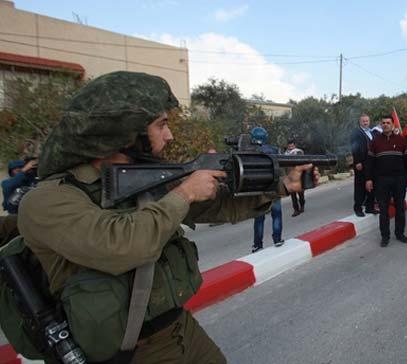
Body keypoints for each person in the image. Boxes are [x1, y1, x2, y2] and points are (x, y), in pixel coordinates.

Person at [17, 71, 313, 364]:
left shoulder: (145, 180)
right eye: (161, 125)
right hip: (130, 353)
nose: (169, 135)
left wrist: (283, 185)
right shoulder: (47, 200)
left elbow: (220, 207)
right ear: (124, 134)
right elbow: (121, 245)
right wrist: (185, 193)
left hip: (180, 329)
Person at [365, 115, 407, 247]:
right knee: (383, 209)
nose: (386, 124)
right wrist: (368, 179)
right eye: (383, 123)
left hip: (399, 179)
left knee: (399, 207)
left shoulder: (401, 140)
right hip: (381, 180)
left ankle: (400, 234)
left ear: (393, 125)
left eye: (388, 122)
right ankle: (385, 237)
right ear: (381, 125)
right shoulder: (375, 142)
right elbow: (369, 162)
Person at [251, 126, 285, 253]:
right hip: (273, 187)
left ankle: (257, 245)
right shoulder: (274, 150)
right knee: (276, 214)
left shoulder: (250, 151)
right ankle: (277, 239)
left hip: (258, 188)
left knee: (259, 217)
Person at [351, 114, 378, 217]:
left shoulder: (372, 132)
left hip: (372, 164)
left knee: (371, 185)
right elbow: (354, 148)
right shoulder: (356, 133)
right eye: (363, 121)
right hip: (361, 164)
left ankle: (369, 208)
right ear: (360, 122)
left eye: (367, 121)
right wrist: (357, 161)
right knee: (360, 187)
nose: (365, 123)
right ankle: (358, 208)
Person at [285, 140, 306, 217]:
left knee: (301, 194)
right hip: (290, 177)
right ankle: (296, 210)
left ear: (295, 145)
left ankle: (302, 205)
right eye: (289, 146)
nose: (291, 147)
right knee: (293, 195)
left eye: (292, 146)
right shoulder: (285, 154)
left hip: (299, 176)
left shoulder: (299, 152)